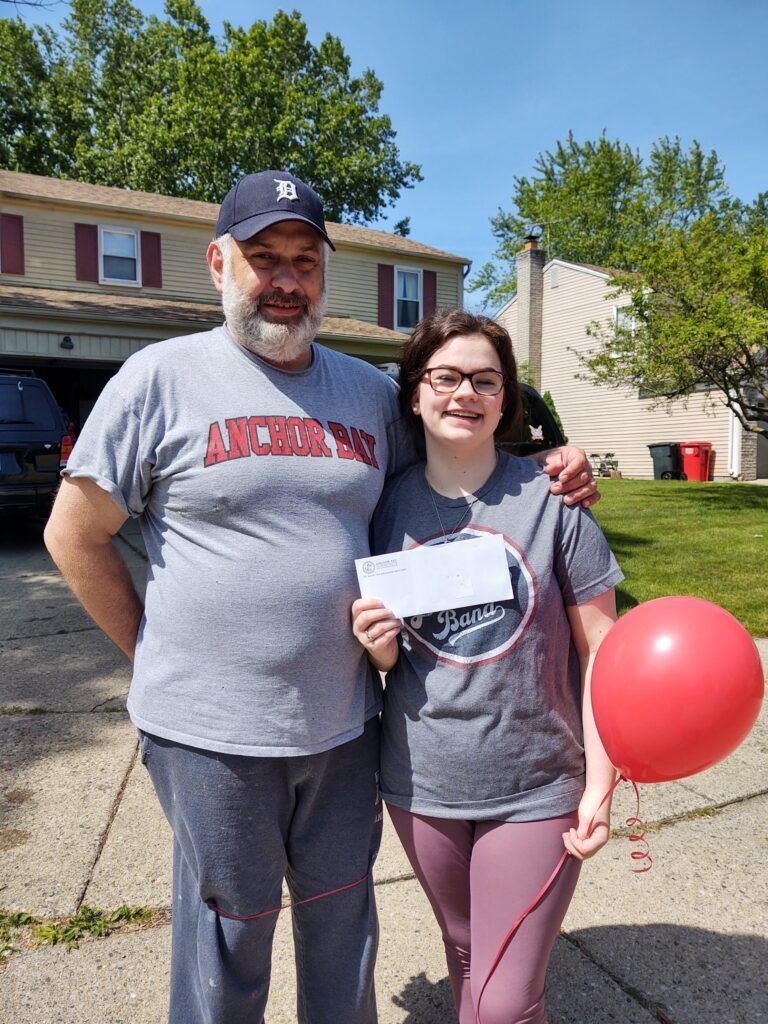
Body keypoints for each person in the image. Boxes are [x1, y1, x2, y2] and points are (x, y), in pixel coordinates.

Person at [44, 171, 599, 1024]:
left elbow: (465, 447)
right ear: (219, 264)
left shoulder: (369, 393)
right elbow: (72, 536)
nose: (286, 278)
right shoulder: (159, 379)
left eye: (305, 259)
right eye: (263, 257)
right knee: (229, 943)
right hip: (209, 736)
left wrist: (556, 465)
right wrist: (150, 647)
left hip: (346, 729)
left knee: (344, 932)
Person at [352, 309, 623, 1024]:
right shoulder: (385, 509)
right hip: (422, 784)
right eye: (445, 376)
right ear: (415, 392)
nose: (463, 393)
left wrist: (601, 782)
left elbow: (605, 651)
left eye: (485, 379)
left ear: (506, 400)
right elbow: (392, 657)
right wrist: (378, 644)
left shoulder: (554, 500)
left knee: (503, 1001)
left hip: (535, 786)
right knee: (468, 950)